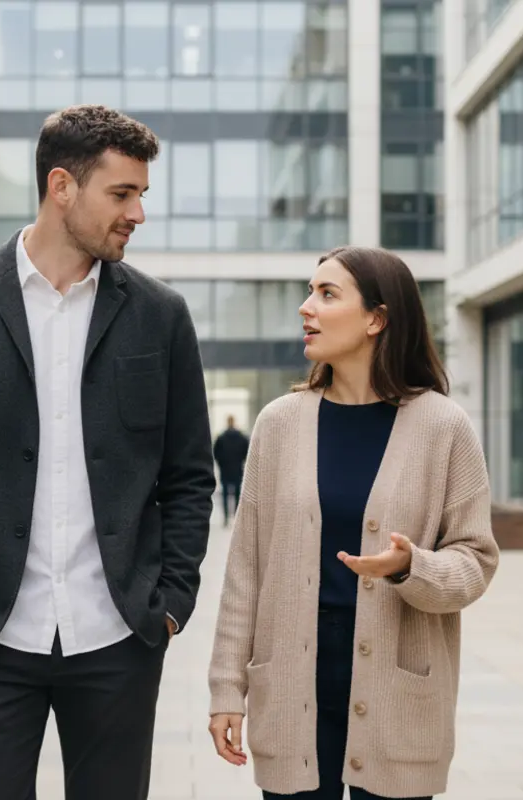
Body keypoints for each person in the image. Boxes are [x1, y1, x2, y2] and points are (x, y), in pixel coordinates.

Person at [0, 104, 216, 800]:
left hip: (119, 635)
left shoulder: (161, 315)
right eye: (121, 194)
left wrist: (171, 601)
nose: (138, 214)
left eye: (141, 195)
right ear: (62, 187)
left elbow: (188, 476)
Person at [205, 246, 500, 800]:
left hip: (397, 689)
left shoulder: (444, 427)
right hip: (292, 680)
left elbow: (475, 563)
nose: (305, 308)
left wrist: (411, 566)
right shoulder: (279, 423)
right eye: (309, 291)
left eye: (326, 294)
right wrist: (227, 687)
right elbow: (245, 567)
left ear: (376, 319)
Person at [212, 415, 249, 525]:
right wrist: (241, 461)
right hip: (237, 468)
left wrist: (221, 463)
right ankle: (237, 516)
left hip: (225, 468)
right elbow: (246, 451)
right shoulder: (241, 437)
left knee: (225, 493)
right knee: (238, 493)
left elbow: (216, 453)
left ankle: (226, 517)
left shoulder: (221, 437)